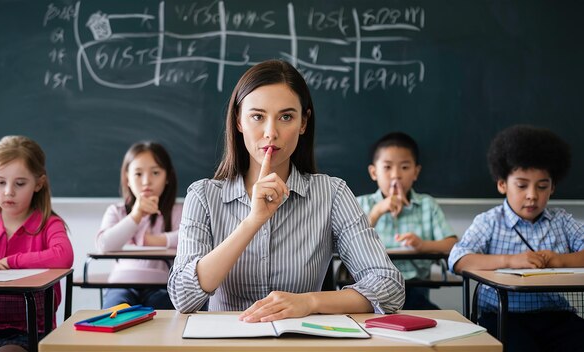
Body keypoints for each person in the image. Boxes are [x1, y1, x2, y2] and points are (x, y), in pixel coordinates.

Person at [168, 59, 404, 322]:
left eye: (286, 117)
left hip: (300, 342)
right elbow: (183, 297)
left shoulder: (332, 194)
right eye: (257, 116)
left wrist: (310, 301)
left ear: (303, 123)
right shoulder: (202, 196)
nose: (271, 133)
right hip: (228, 344)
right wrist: (253, 221)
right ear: (238, 121)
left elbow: (389, 286)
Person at [448, 125, 584, 352]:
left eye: (542, 186)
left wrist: (560, 261)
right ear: (502, 184)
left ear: (553, 187)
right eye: (522, 185)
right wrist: (511, 261)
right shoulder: (489, 221)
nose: (532, 195)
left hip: (556, 316)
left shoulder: (561, 221)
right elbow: (458, 259)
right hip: (503, 316)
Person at [0, 135, 73, 352]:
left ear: (38, 183)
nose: (9, 191)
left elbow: (64, 255)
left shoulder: (49, 224)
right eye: (1, 182)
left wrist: (13, 261)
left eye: (20, 183)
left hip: (29, 329)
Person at [355, 132, 457, 310]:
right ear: (373, 172)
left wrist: (423, 246)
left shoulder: (427, 205)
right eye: (387, 167)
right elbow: (346, 245)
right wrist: (377, 211)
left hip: (415, 287)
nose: (396, 176)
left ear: (416, 172)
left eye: (404, 167)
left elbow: (452, 245)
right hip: (370, 290)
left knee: (428, 315)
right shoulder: (360, 203)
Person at [96, 141, 181, 309]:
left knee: (162, 321)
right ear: (127, 178)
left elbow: (189, 239)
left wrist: (150, 240)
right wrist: (136, 215)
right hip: (121, 285)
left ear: (167, 178)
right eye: (138, 174)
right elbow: (104, 245)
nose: (146, 181)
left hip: (162, 287)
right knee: (114, 316)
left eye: (155, 173)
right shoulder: (116, 211)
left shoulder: (178, 211)